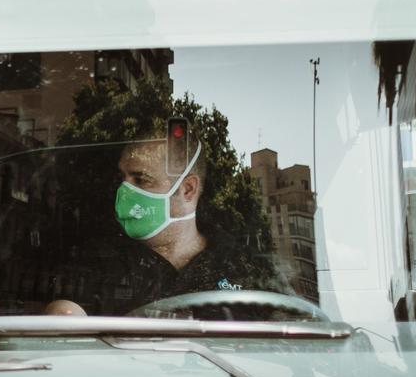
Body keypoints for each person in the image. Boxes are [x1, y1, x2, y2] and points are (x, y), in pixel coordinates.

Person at [62, 133, 276, 315]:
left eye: (141, 179)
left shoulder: (244, 267)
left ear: (188, 189)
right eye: (123, 178)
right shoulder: (103, 260)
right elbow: (67, 317)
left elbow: (287, 334)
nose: (124, 192)